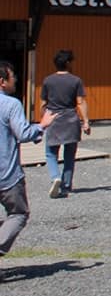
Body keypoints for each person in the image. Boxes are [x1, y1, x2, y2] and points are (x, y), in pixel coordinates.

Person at [3, 61, 57, 259]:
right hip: (6, 174)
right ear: (2, 81)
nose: (15, 79)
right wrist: (42, 125)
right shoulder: (11, 104)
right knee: (18, 214)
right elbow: (23, 133)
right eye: (12, 76)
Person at [40, 49, 89, 199]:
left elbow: (43, 103)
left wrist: (43, 121)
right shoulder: (76, 80)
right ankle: (66, 186)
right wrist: (86, 121)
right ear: (68, 63)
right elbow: (80, 102)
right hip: (70, 118)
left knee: (50, 153)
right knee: (69, 154)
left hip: (54, 118)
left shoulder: (48, 80)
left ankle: (55, 176)